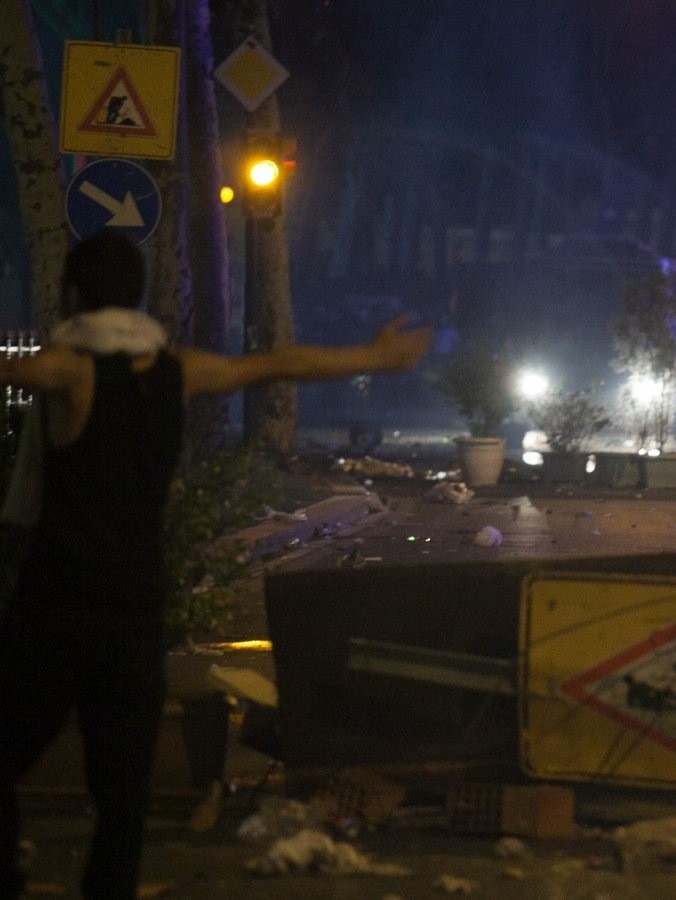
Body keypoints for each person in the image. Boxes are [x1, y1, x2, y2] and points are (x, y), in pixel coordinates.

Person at [0, 231, 432, 900]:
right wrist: (373, 355)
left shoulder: (70, 371)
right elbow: (275, 364)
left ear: (74, 297)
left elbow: (17, 371)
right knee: (123, 791)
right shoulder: (178, 371)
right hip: (137, 608)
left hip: (57, 604)